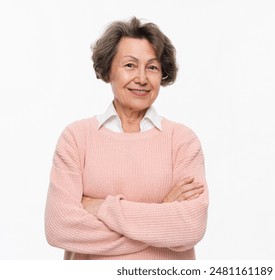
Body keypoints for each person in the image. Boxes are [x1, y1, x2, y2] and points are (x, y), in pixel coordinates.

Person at [44, 17, 208, 260]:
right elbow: (59, 228)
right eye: (130, 65)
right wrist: (161, 216)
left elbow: (190, 227)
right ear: (109, 69)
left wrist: (102, 207)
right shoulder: (77, 138)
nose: (141, 78)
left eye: (152, 67)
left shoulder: (182, 141)